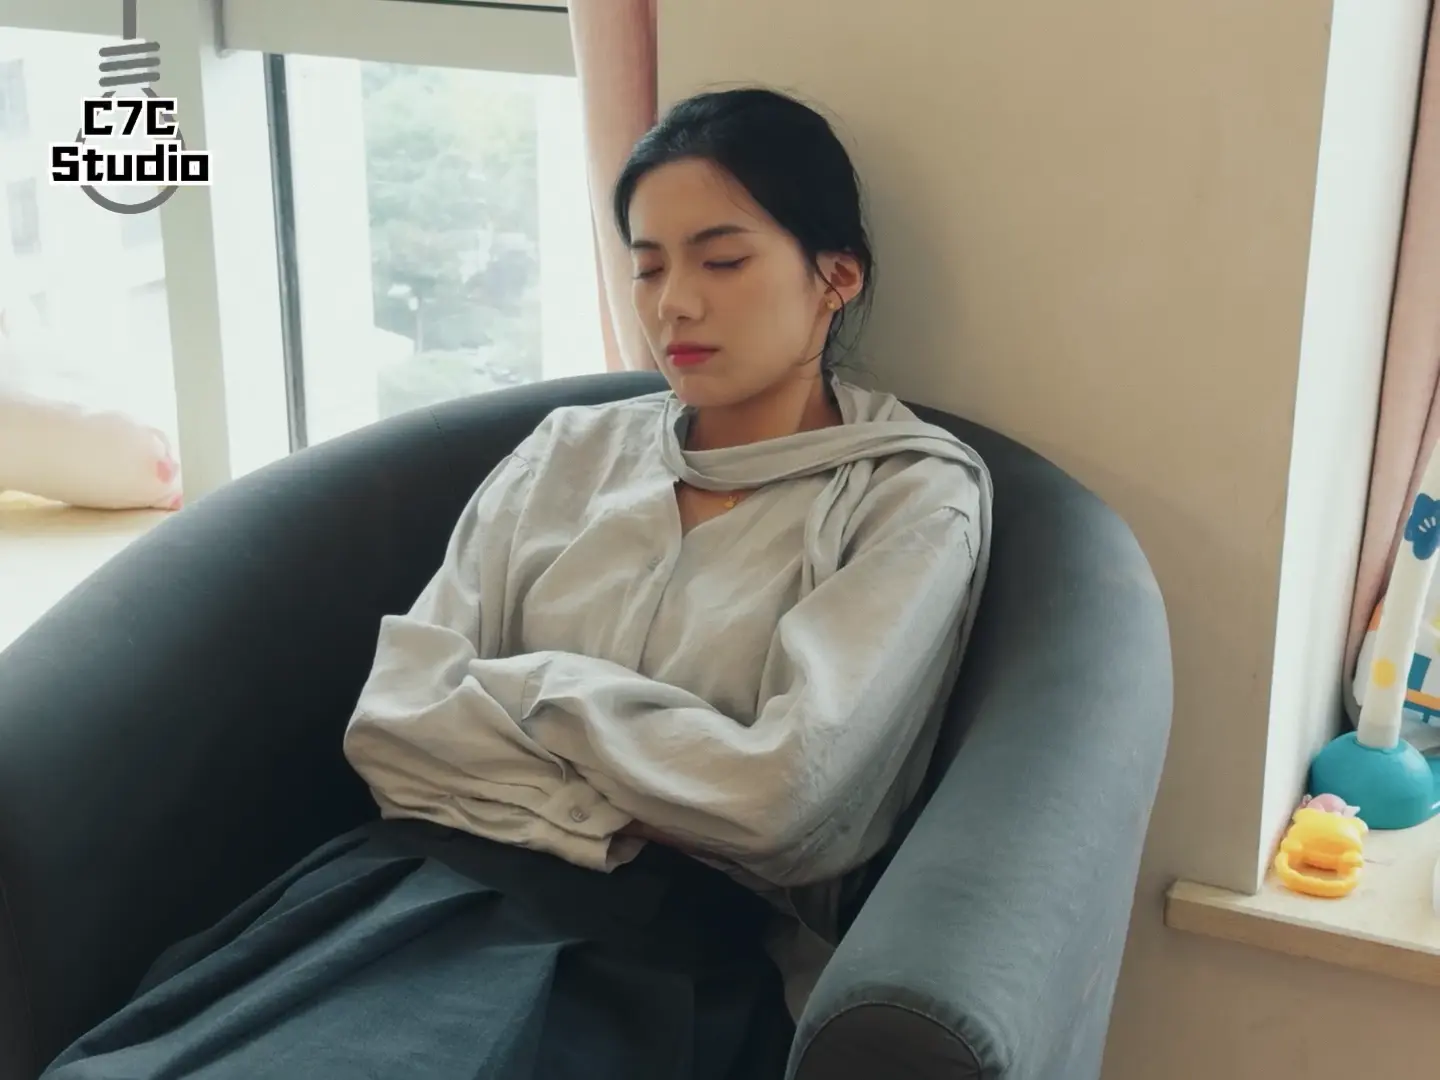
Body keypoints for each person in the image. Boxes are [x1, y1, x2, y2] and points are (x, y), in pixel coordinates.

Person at [41, 87, 993, 1080]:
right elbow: (397, 719)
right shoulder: (569, 451)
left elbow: (785, 804)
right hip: (411, 879)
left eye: (722, 261)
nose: (673, 303)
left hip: (664, 950)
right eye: (647, 266)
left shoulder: (911, 497)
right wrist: (652, 786)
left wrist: (529, 689)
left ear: (835, 275)